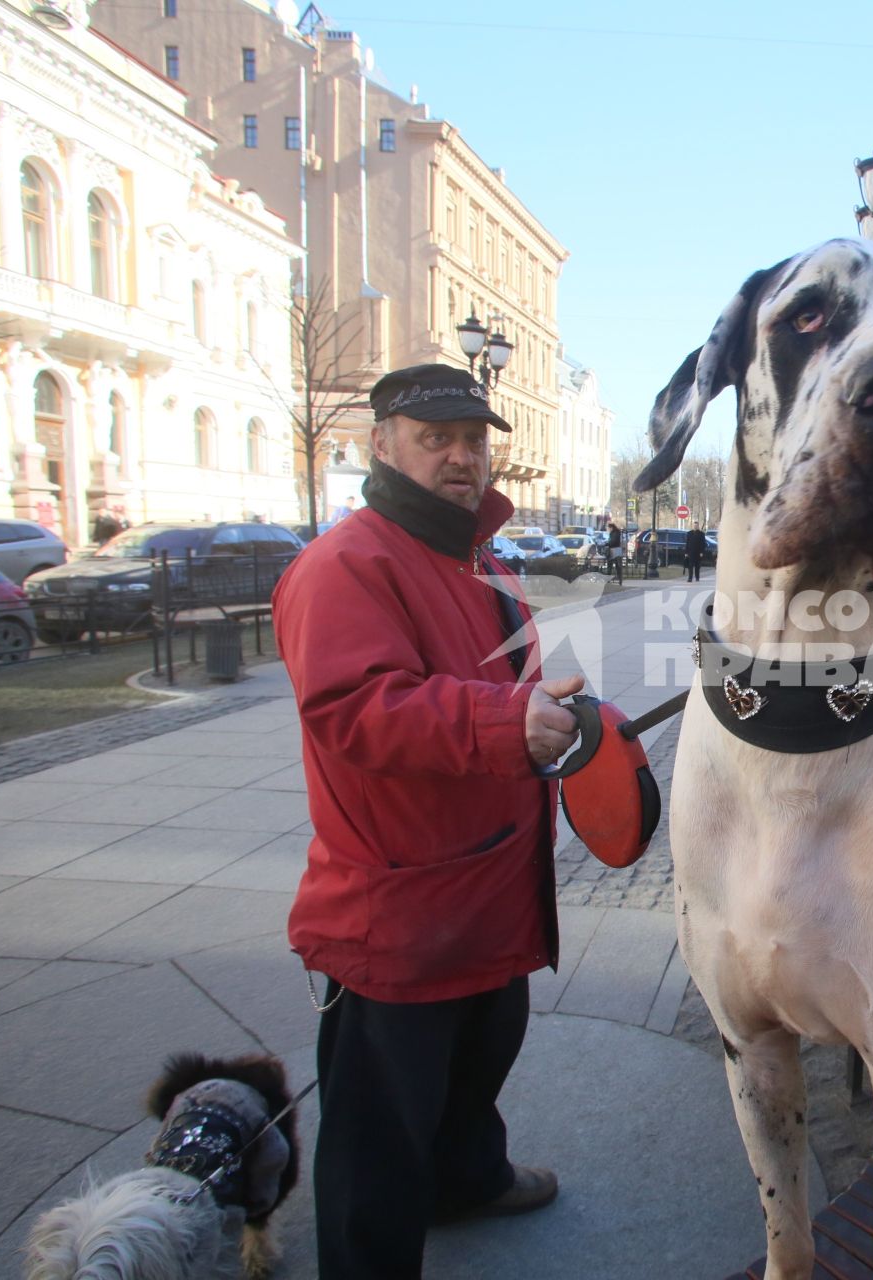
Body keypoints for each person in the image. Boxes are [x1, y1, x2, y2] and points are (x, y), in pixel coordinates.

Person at [272, 363, 583, 1279]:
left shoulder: (472, 556)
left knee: (474, 1069)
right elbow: (357, 710)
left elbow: (491, 683)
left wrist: (547, 707)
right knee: (377, 1131)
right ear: (381, 443)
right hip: (398, 903)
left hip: (483, 884)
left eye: (474, 440)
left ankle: (467, 1178)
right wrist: (505, 721)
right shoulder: (345, 564)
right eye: (435, 437)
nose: (461, 456)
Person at [604, 520, 625, 585]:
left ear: (611, 528)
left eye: (608, 528)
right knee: (616, 566)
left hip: (614, 550)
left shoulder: (614, 533)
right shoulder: (615, 532)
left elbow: (613, 542)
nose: (607, 530)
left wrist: (607, 544)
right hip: (616, 550)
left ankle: (616, 579)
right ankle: (618, 579)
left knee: (612, 565)